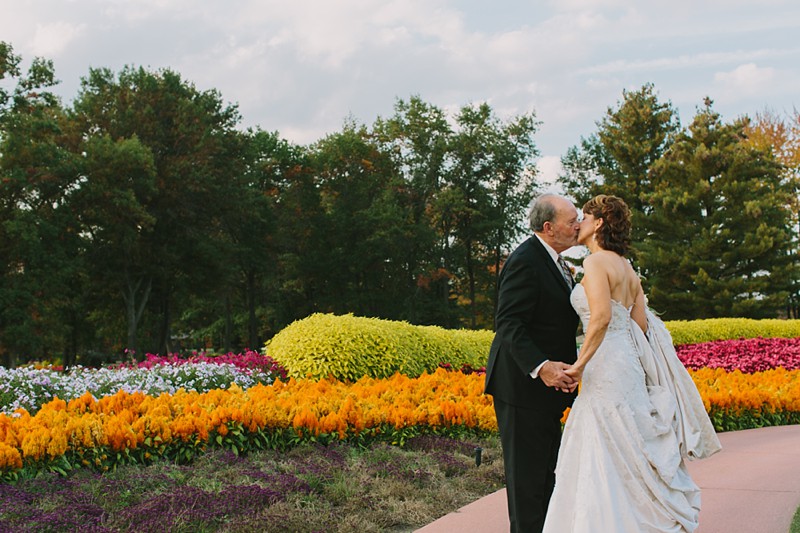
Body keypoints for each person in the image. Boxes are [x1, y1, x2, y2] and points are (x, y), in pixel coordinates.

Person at [542, 194, 721, 532]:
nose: (579, 222)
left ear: (599, 224)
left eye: (585, 216)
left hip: (605, 363)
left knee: (604, 439)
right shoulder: (629, 270)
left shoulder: (595, 264)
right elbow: (639, 327)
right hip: (628, 365)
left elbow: (601, 318)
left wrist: (579, 365)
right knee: (630, 437)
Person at [485, 193, 582, 533]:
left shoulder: (556, 262)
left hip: (545, 392)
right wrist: (543, 367)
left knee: (546, 478)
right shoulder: (526, 259)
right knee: (528, 484)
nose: (578, 226)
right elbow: (509, 323)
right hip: (521, 388)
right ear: (548, 227)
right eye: (572, 221)